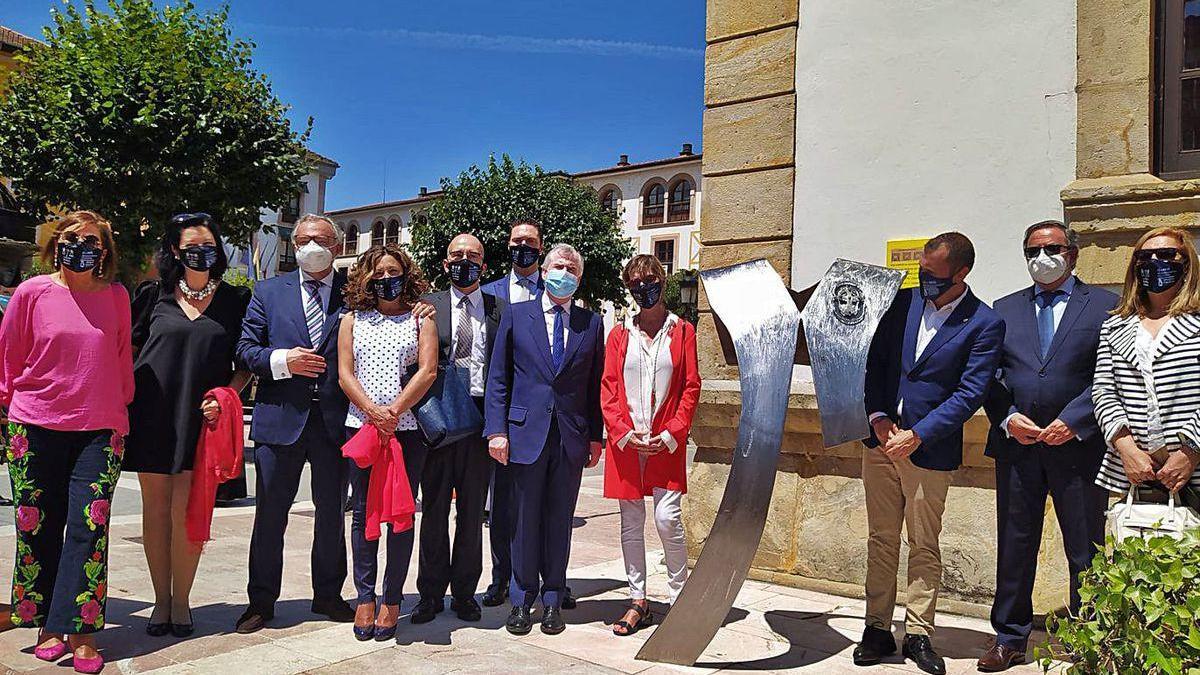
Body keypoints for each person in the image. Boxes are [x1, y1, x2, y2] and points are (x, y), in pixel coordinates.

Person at [858, 232, 1005, 675]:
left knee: (924, 544)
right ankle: (877, 628)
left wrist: (917, 435)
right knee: (881, 539)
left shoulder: (984, 322)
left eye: (934, 275)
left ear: (961, 273)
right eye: (921, 271)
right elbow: (876, 364)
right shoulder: (902, 304)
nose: (924, 280)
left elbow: (970, 393)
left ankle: (918, 633)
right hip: (881, 442)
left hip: (928, 449)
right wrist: (880, 418)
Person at [978, 221, 1118, 672]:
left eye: (1052, 248)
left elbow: (1109, 374)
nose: (1043, 257)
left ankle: (1089, 637)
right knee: (1015, 544)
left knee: (1085, 548)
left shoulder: (1106, 306)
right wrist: (1005, 416)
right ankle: (1010, 637)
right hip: (1019, 448)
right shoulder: (1004, 308)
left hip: (1078, 450)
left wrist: (1074, 421)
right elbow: (988, 375)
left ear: (1072, 254)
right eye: (1032, 250)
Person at [0, 211, 134, 673]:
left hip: (98, 429)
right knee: (37, 525)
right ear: (56, 243)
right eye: (73, 238)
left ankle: (82, 630)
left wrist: (120, 415)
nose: (82, 246)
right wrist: (8, 411)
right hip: (33, 426)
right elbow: (9, 356)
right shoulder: (31, 292)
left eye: (92, 241)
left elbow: (121, 358)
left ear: (104, 252)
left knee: (87, 528)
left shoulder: (117, 296)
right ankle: (46, 626)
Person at [124, 213, 252, 639]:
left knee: (188, 514)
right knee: (156, 512)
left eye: (210, 245)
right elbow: (128, 351)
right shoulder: (151, 295)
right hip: (152, 415)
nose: (202, 252)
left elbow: (246, 363)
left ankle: (183, 601)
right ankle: (161, 600)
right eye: (193, 245)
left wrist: (226, 396)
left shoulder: (236, 300)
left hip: (204, 421)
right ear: (176, 251)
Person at [234, 214, 355, 633]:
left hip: (335, 423)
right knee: (270, 515)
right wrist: (284, 361)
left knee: (331, 513)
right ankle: (260, 602)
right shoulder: (268, 291)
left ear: (336, 247)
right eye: (303, 239)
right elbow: (246, 349)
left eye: (320, 239)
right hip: (280, 418)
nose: (310, 246)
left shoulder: (354, 293)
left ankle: (328, 595)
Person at [484, 243, 604, 636]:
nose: (564, 272)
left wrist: (596, 437)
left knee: (558, 521)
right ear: (544, 270)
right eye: (558, 265)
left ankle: (552, 598)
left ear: (579, 277)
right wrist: (497, 431)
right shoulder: (518, 316)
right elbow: (499, 379)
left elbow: (594, 386)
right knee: (523, 521)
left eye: (571, 267)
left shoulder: (592, 323)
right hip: (524, 435)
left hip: (569, 439)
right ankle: (521, 599)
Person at [338, 243, 439, 641]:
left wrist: (393, 411)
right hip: (361, 427)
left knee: (400, 514)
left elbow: (428, 371)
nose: (385, 279)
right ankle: (365, 596)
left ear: (405, 274)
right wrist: (373, 412)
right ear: (366, 278)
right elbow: (345, 374)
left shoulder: (421, 319)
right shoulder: (352, 319)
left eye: (392, 271)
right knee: (362, 513)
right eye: (377, 273)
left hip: (406, 430)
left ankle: (393, 598)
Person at [601, 254, 700, 636]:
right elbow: (609, 387)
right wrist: (624, 433)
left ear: (663, 280)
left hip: (664, 442)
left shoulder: (683, 331)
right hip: (628, 443)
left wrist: (674, 431)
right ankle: (637, 599)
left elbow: (691, 386)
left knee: (666, 518)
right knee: (631, 522)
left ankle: (679, 597)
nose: (644, 287)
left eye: (650, 279)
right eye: (636, 282)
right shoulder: (619, 334)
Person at [412, 234, 506, 625]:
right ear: (445, 262)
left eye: (473, 255)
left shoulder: (499, 308)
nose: (464, 260)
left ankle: (465, 592)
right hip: (440, 417)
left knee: (471, 511)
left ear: (484, 265)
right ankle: (430, 594)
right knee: (434, 508)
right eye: (457, 255)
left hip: (481, 418)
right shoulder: (425, 307)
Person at [1091, 226, 1200, 508]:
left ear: (1186, 263)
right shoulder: (1114, 326)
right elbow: (1103, 391)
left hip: (1193, 467)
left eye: (1166, 254)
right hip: (1137, 472)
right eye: (1144, 256)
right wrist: (1126, 449)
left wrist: (1190, 452)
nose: (1154, 262)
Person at [478, 218, 545, 608]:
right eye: (516, 241)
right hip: (504, 413)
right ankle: (501, 577)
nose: (523, 247)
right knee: (501, 504)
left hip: (543, 414)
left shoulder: (556, 290)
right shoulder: (489, 295)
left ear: (540, 247)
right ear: (507, 246)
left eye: (530, 242)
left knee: (542, 505)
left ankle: (547, 577)